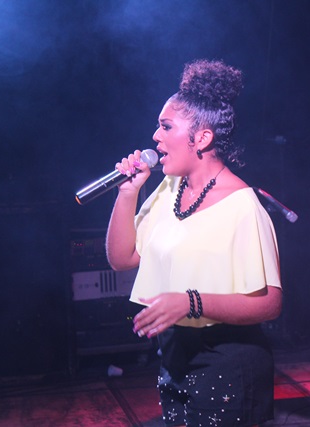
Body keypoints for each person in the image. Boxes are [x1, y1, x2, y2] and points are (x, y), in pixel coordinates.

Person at [105, 59, 283, 427]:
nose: (155, 136)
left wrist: (190, 303)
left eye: (166, 126)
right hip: (174, 357)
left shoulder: (242, 205)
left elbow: (270, 303)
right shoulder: (170, 189)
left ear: (202, 138)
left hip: (228, 364)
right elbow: (122, 258)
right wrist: (127, 193)